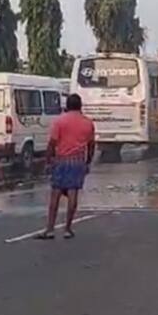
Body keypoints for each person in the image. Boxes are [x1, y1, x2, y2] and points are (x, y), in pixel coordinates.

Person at [37, 93, 95, 240]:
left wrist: (48, 160)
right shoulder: (88, 123)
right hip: (77, 161)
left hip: (61, 160)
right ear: (80, 106)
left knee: (55, 194)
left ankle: (50, 229)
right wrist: (88, 162)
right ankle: (68, 228)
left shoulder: (60, 121)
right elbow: (91, 145)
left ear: (67, 106)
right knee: (73, 193)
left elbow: (52, 143)